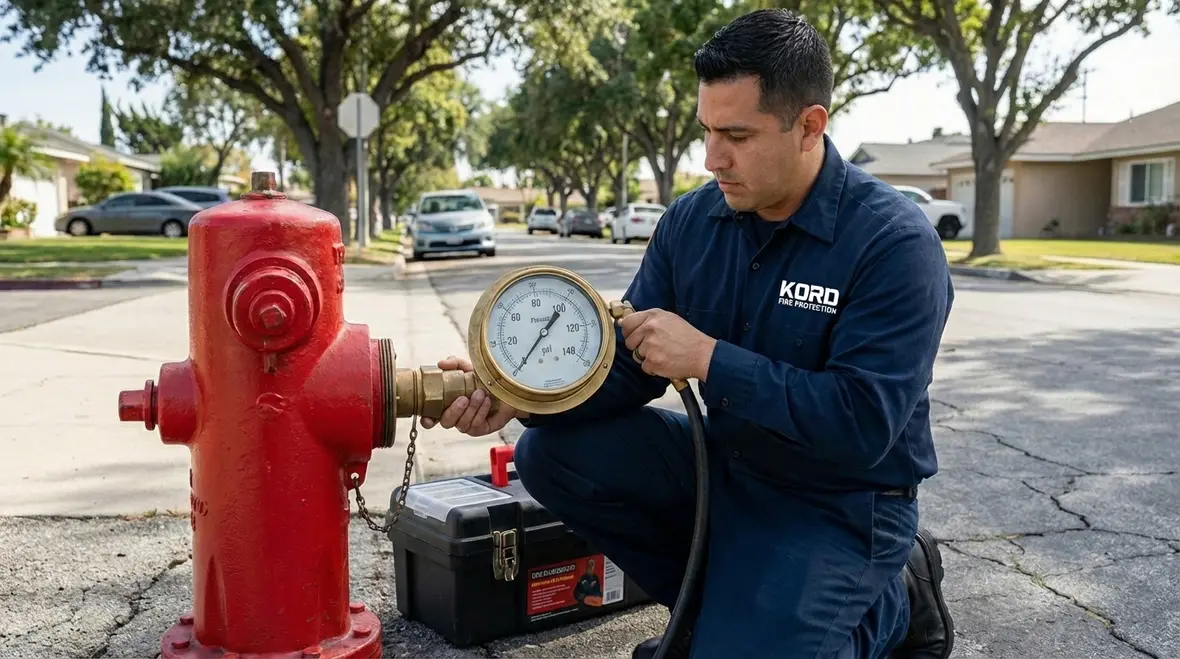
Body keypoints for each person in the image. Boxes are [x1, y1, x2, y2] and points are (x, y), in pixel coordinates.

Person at [420, 8, 955, 659]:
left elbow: (863, 424)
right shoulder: (692, 223)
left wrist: (709, 359)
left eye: (736, 134)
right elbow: (624, 366)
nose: (711, 158)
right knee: (550, 452)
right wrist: (523, 394)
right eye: (705, 129)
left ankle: (896, 598)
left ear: (809, 126)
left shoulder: (893, 242)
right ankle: (722, 610)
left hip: (839, 503)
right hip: (724, 469)